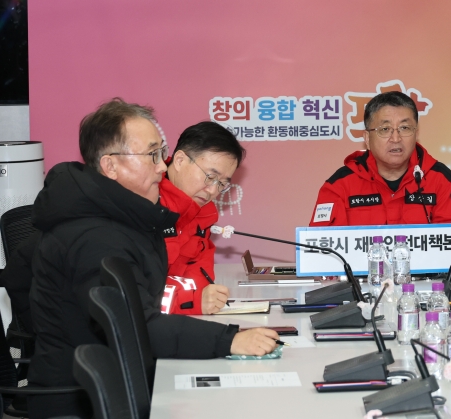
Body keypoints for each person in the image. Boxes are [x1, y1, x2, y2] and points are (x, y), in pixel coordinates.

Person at [27, 99, 279, 418]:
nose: (163, 166)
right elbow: (134, 328)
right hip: (86, 400)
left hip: (120, 381)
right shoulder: (94, 237)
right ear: (111, 166)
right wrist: (229, 340)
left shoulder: (125, 219)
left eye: (161, 152)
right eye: (152, 155)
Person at [309, 91, 451, 226]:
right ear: (367, 138)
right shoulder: (340, 186)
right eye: (385, 129)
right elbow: (322, 249)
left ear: (416, 133)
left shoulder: (440, 181)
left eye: (404, 128)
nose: (396, 138)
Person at [160, 121, 243, 315]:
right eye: (210, 177)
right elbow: (134, 293)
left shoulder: (203, 213)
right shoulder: (143, 203)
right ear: (180, 160)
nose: (213, 191)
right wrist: (191, 301)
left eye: (222, 184)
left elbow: (199, 279)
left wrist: (200, 299)